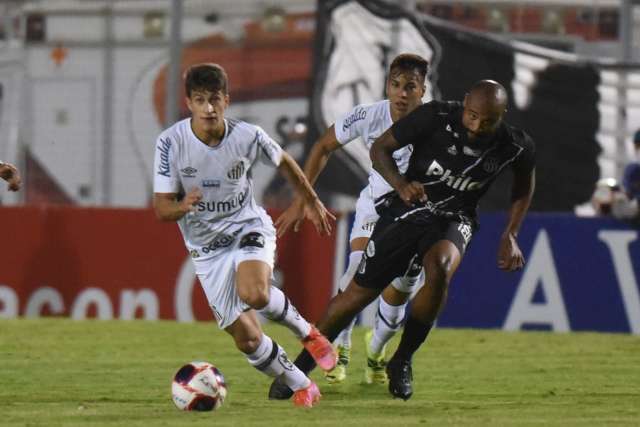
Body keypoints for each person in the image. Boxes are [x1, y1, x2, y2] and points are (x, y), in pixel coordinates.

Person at [269, 79, 535, 401]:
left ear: (502, 116)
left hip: (455, 218)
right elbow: (379, 148)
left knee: (439, 270)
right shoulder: (434, 117)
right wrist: (400, 185)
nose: (477, 126)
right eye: (473, 115)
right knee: (356, 293)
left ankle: (402, 359)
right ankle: (300, 368)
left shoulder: (515, 145)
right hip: (409, 208)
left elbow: (523, 186)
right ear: (465, 103)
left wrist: (511, 233)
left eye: (488, 120)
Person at [152, 63, 337, 408]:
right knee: (248, 340)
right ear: (188, 103)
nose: (209, 108)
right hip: (207, 252)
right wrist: (184, 206)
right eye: (200, 100)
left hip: (247, 227)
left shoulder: (246, 135)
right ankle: (302, 385)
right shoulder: (170, 144)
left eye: (215, 100)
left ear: (227, 100)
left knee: (254, 292)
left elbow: (283, 161)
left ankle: (308, 334)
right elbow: (162, 209)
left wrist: (309, 199)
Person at [276, 53, 429, 385]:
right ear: (388, 85)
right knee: (356, 273)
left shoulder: (435, 123)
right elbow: (322, 145)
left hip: (416, 215)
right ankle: (340, 350)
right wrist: (305, 197)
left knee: (397, 293)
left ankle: (375, 350)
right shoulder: (369, 116)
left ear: (423, 90)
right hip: (376, 208)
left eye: (411, 87)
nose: (402, 93)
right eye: (396, 85)